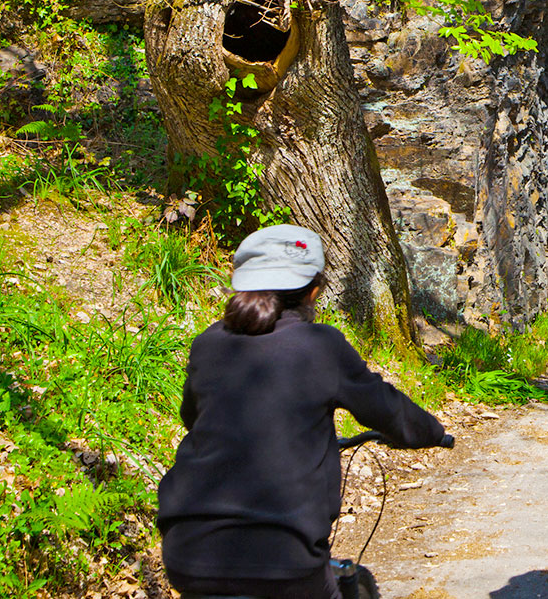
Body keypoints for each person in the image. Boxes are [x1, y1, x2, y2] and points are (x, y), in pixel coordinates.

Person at [157, 225, 448, 599]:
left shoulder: (208, 344)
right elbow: (386, 409)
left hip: (187, 553)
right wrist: (433, 432)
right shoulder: (321, 345)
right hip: (285, 560)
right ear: (313, 292)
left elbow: (192, 418)